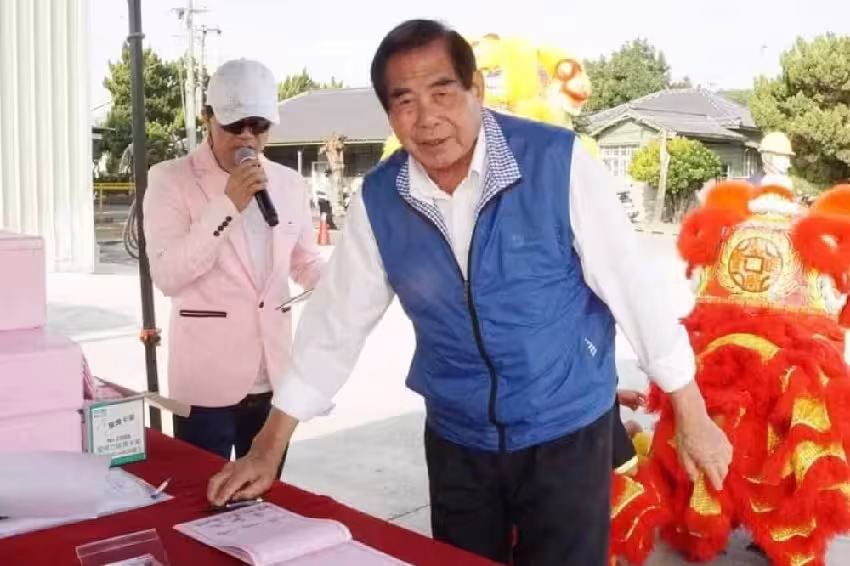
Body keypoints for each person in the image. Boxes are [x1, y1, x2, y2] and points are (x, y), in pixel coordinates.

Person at [207, 21, 732, 566]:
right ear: (389, 114)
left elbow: (633, 289)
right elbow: (334, 325)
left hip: (565, 428)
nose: (427, 118)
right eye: (404, 102)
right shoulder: (380, 199)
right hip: (458, 439)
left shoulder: (558, 162)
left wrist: (691, 413)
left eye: (442, 93)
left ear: (475, 89)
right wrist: (267, 447)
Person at [143, 58, 324, 471]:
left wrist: (342, 281)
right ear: (207, 118)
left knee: (265, 494)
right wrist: (228, 205)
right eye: (234, 124)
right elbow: (168, 276)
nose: (246, 137)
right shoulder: (170, 179)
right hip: (205, 384)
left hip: (274, 378)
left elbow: (304, 262)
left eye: (258, 126)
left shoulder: (288, 183)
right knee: (199, 494)